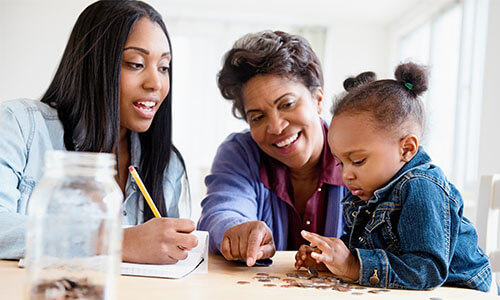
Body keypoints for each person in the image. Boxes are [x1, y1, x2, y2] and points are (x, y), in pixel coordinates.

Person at [0, 0, 198, 264]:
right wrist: (114, 241)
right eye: (136, 63)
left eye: (164, 67)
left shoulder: (166, 164)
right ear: (93, 66)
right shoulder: (20, 125)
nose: (156, 83)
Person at [294, 62, 493, 292]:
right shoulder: (367, 187)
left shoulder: (421, 187)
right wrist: (330, 259)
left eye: (358, 161)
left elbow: (427, 271)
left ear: (407, 149)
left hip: (460, 290)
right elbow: (362, 247)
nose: (346, 174)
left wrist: (353, 265)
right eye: (340, 162)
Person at [198, 30, 346, 267]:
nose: (276, 127)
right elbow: (220, 212)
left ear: (318, 100)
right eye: (257, 117)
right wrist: (236, 230)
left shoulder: (360, 152)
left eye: (287, 104)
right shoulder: (240, 153)